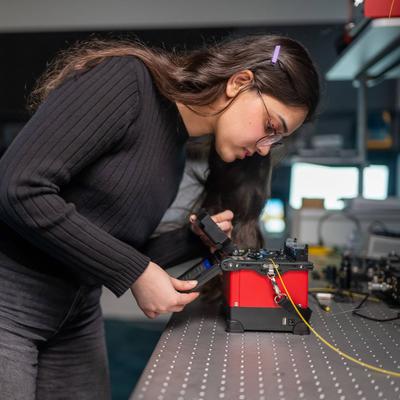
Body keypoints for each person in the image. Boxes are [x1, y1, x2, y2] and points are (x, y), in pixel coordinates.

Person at [0, 34, 319, 399]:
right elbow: (18, 187)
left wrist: (189, 241)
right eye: (270, 127)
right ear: (239, 82)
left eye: (275, 142)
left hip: (76, 312)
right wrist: (135, 271)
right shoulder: (126, 82)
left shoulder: (175, 147)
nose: (264, 148)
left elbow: (102, 244)